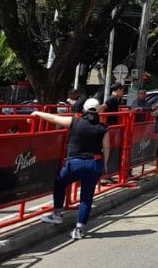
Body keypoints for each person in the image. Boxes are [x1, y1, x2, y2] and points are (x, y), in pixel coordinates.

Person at [34, 98, 110, 240]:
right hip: (95, 163)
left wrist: (37, 113)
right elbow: (107, 147)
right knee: (86, 198)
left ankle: (57, 214)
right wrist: (105, 164)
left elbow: (54, 118)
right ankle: (79, 229)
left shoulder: (74, 122)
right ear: (98, 110)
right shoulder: (103, 128)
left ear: (84, 110)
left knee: (60, 183)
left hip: (75, 163)